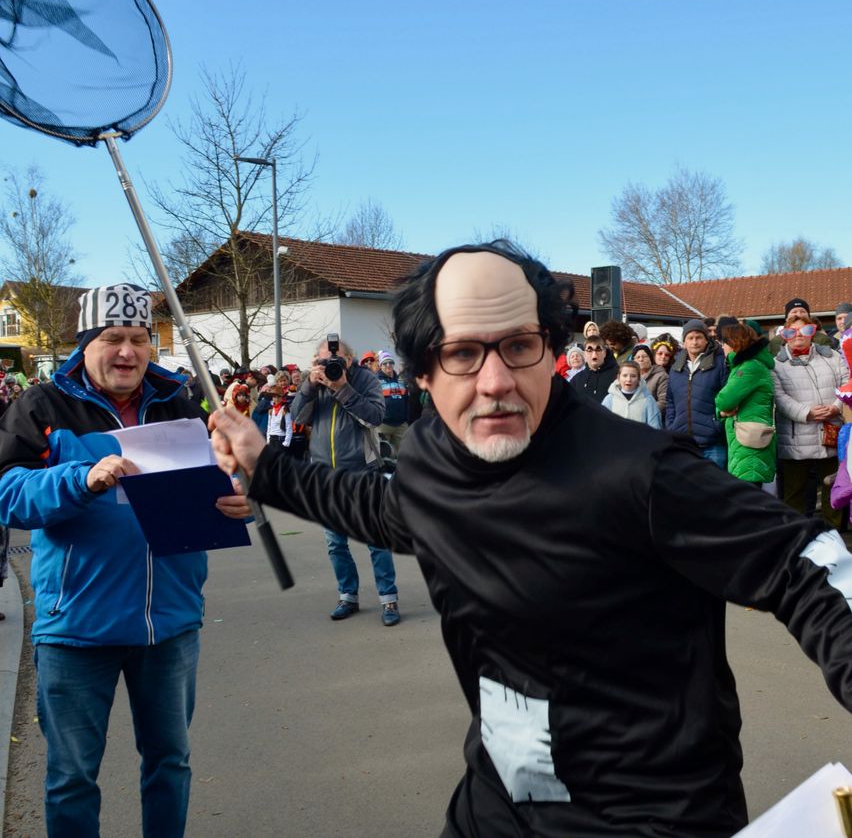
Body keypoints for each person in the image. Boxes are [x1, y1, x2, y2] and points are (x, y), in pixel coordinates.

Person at [209, 240, 852, 838]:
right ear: (424, 375)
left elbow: (805, 564)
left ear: (551, 350)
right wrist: (266, 468)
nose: (494, 382)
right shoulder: (435, 454)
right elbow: (389, 509)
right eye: (462, 353)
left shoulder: (638, 473)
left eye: (518, 345)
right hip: (498, 800)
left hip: (647, 814)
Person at [0, 283, 250, 837]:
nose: (127, 352)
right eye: (113, 338)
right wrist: (80, 478)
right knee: (71, 777)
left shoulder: (182, 402)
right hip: (75, 630)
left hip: (170, 626)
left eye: (139, 339)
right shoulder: (42, 407)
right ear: (84, 343)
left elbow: (223, 477)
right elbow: (7, 492)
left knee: (170, 765)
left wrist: (238, 500)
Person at [290, 337, 400, 626]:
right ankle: (347, 596)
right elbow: (297, 417)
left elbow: (375, 417)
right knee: (335, 543)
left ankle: (389, 599)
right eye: (324, 361)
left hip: (362, 472)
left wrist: (342, 388)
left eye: (337, 360)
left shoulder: (366, 381)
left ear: (349, 360)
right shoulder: (315, 383)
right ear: (316, 362)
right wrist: (309, 386)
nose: (331, 365)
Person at [773, 315, 848, 527]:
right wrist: (807, 413)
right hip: (795, 436)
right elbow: (779, 397)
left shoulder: (832, 357)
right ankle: (796, 534)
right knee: (794, 491)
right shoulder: (776, 365)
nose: (798, 336)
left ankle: (834, 533)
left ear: (812, 332)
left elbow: (847, 382)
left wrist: (836, 406)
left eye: (804, 331)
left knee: (833, 486)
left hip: (830, 431)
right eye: (792, 332)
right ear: (785, 336)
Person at [715, 321, 777, 485]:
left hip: (749, 444)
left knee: (750, 501)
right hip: (746, 442)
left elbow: (724, 400)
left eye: (724, 343)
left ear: (734, 343)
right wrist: (721, 412)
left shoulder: (748, 367)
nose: (722, 347)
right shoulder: (750, 364)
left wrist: (720, 409)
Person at [665, 318, 728, 467]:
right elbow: (670, 401)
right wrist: (672, 426)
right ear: (684, 342)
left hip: (713, 444)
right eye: (690, 338)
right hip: (683, 444)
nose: (694, 342)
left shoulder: (720, 364)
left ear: (706, 340)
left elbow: (726, 397)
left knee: (715, 489)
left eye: (699, 337)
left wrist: (716, 424)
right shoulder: (676, 368)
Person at [601, 360, 661, 428]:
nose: (628, 379)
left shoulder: (648, 400)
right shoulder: (609, 399)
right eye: (625, 375)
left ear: (639, 378)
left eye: (633, 376)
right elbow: (602, 424)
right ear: (618, 377)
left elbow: (655, 427)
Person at [376, 350, 410, 455]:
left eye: (391, 362)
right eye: (385, 363)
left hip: (401, 425)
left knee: (404, 454)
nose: (388, 365)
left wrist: (406, 419)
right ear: (380, 365)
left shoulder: (400, 380)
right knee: (384, 456)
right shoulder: (375, 380)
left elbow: (407, 401)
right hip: (383, 425)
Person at [571, 334, 617, 402]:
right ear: (584, 354)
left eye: (598, 350)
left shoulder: (617, 375)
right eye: (590, 350)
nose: (594, 355)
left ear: (604, 353)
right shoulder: (576, 380)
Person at [631, 342, 667, 415]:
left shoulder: (661, 376)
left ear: (650, 359)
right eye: (637, 357)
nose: (641, 359)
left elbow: (663, 402)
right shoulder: (630, 377)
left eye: (644, 356)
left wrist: (642, 412)